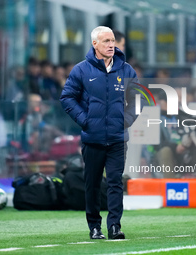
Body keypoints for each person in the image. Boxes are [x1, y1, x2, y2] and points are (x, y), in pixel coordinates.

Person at [60, 26, 142, 240]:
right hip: (92, 138)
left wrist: (126, 121)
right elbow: (67, 98)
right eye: (106, 41)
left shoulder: (126, 70)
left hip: (117, 139)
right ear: (95, 44)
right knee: (92, 184)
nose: (111, 44)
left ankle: (114, 226)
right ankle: (94, 227)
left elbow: (138, 100)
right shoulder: (81, 70)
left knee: (115, 182)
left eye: (113, 40)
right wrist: (85, 121)